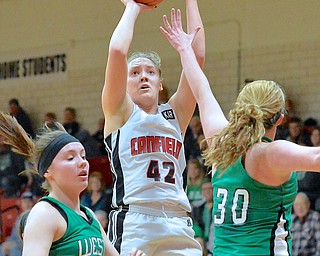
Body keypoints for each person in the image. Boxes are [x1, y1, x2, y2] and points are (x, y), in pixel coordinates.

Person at [160, 8, 320, 256]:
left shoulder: (219, 140)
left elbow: (201, 88)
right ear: (280, 117)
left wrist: (184, 48)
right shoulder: (271, 153)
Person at [102, 0, 205, 255]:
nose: (144, 76)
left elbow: (198, 57)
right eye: (135, 73)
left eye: (150, 72)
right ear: (124, 84)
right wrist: (132, 7)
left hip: (178, 222)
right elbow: (117, 51)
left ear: (160, 83)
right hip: (136, 221)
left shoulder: (175, 114)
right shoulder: (120, 112)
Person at [0, 112, 146, 256]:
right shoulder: (45, 214)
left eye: (83, 156)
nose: (82, 162)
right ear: (48, 171)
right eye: (70, 158)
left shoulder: (89, 215)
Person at [1, 192, 36, 256]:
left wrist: (13, 244)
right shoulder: (20, 217)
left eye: (29, 202)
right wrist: (8, 242)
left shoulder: (34, 216)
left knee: (14, 249)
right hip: (16, 244)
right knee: (3, 247)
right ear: (21, 203)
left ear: (33, 203)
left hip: (26, 246)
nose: (27, 204)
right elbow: (13, 236)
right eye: (25, 202)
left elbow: (30, 238)